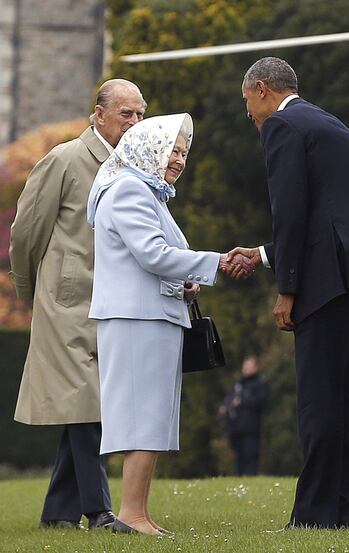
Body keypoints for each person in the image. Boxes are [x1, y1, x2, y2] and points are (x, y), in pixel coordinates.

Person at [228, 57, 349, 529]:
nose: (251, 117)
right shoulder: (334, 126)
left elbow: (292, 212)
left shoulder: (282, 126)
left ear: (262, 89)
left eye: (249, 105)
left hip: (327, 280)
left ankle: (312, 517)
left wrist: (287, 288)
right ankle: (341, 512)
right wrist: (266, 255)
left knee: (320, 402)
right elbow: (332, 212)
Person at [87, 112, 252, 536]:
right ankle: (131, 514)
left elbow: (151, 261)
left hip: (150, 315)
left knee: (152, 414)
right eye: (172, 150)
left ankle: (136, 512)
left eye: (184, 152)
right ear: (148, 147)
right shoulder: (128, 190)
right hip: (136, 318)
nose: (179, 159)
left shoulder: (146, 192)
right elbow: (153, 254)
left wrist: (186, 281)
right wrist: (213, 262)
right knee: (142, 414)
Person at [9, 79, 147, 530]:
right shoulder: (64, 160)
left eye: (140, 114)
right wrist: (34, 296)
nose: (135, 122)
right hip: (67, 305)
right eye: (126, 113)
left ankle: (58, 514)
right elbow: (25, 234)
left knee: (89, 405)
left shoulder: (135, 168)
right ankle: (99, 509)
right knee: (89, 407)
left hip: (113, 303)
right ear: (99, 114)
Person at [218, 355, 268, 476]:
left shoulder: (260, 382)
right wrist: (225, 408)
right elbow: (230, 398)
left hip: (251, 427)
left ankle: (250, 478)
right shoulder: (239, 383)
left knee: (250, 455)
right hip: (235, 427)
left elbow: (261, 401)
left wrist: (243, 401)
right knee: (238, 456)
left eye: (249, 366)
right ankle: (240, 478)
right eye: (245, 366)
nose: (246, 369)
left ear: (256, 367)